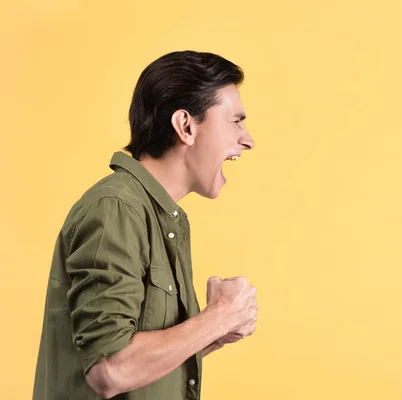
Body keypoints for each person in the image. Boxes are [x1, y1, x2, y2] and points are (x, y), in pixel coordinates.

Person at [32, 50, 258, 399]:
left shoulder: (160, 215)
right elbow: (111, 370)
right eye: (235, 121)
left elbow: (138, 366)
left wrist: (212, 335)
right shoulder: (117, 210)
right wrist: (218, 317)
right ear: (186, 126)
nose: (247, 139)